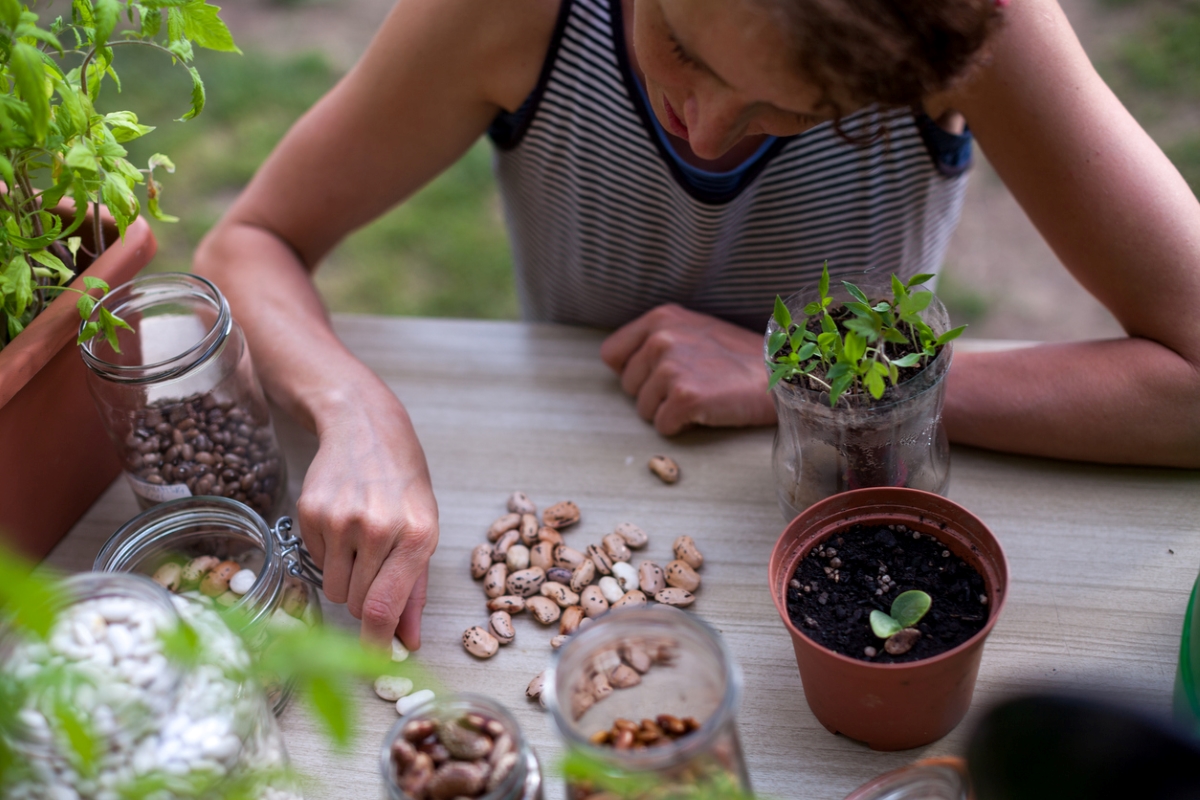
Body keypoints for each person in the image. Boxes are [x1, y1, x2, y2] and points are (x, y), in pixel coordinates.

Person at [194, 0, 1200, 648]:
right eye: (679, 45)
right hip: (589, 447)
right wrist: (356, 409)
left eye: (790, 112)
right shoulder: (519, 16)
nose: (708, 129)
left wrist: (807, 382)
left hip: (845, 518)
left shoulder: (969, 22)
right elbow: (250, 243)